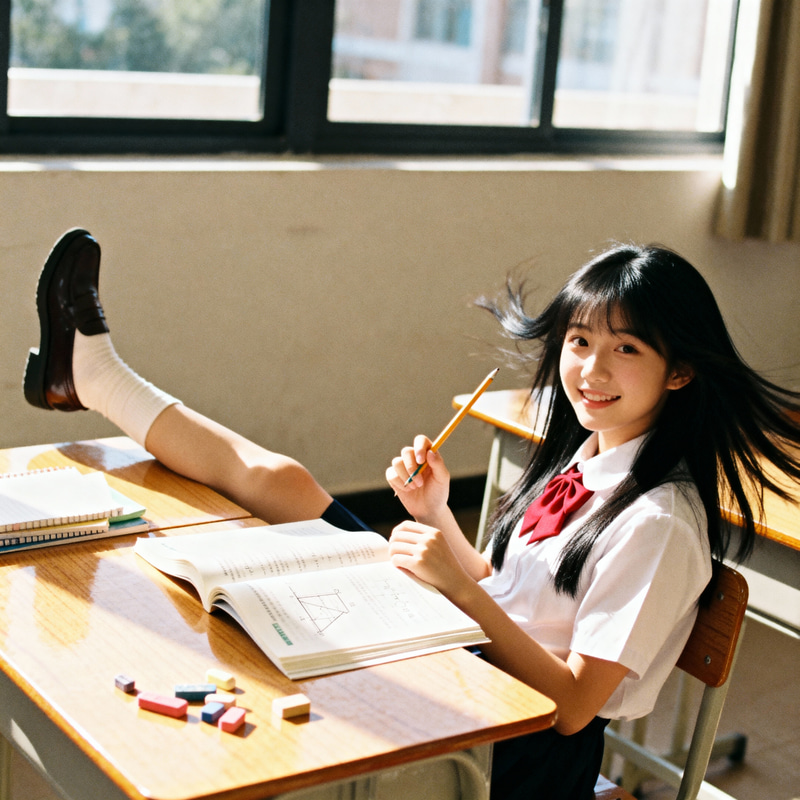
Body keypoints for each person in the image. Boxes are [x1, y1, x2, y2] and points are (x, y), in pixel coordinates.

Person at [23, 229, 800, 799]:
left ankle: (92, 377)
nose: (590, 370)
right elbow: (511, 590)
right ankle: (88, 378)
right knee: (290, 487)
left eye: (626, 350)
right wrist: (440, 517)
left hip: (521, 749)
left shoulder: (660, 523)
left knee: (272, 664)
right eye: (578, 340)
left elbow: (570, 707)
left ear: (682, 371)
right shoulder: (588, 458)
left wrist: (458, 592)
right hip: (468, 659)